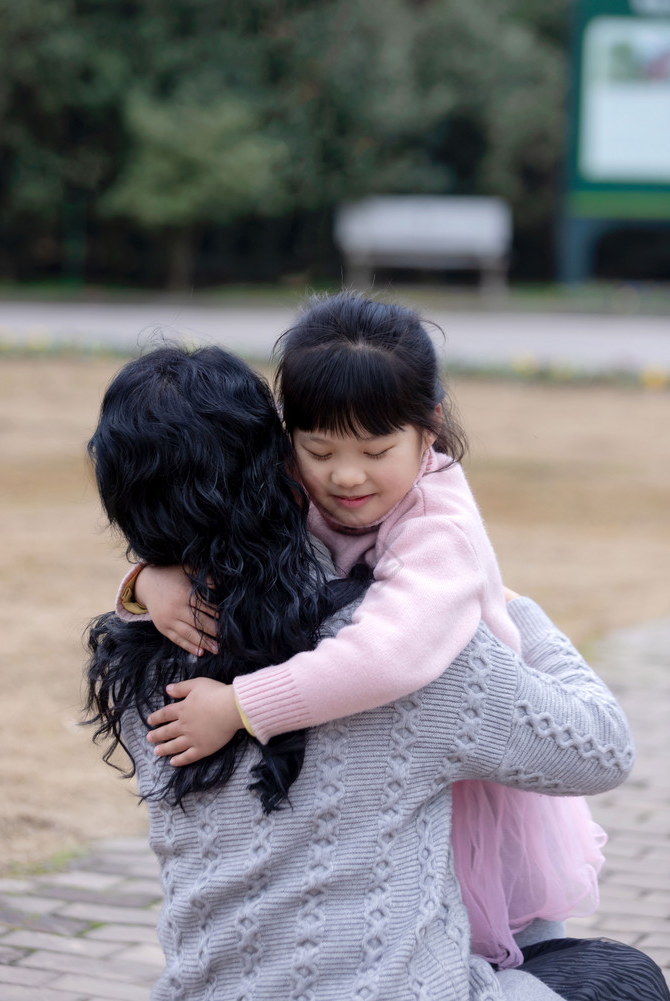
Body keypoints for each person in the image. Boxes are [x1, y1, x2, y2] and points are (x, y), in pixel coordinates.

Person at [85, 344, 666, 1001]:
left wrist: (146, 573)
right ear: (282, 464)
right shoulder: (412, 650)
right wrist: (512, 608)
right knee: (624, 978)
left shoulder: (135, 655)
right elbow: (603, 747)